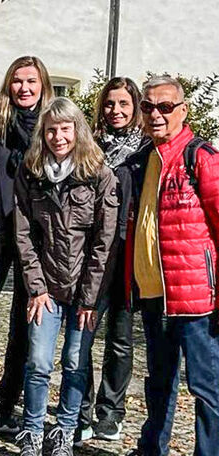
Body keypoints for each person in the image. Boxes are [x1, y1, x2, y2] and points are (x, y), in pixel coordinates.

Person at [14, 97, 118, 456]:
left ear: (78, 130)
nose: (59, 137)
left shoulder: (99, 174)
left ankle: (64, 429)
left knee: (75, 361)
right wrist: (36, 287)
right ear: (43, 134)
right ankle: (31, 431)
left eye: (65, 129)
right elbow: (23, 233)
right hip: (46, 288)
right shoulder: (32, 173)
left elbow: (104, 241)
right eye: (51, 130)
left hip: (85, 292)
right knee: (39, 362)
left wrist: (89, 297)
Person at [123, 76, 219, 456]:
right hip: (154, 294)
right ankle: (151, 449)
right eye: (148, 107)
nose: (155, 114)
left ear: (183, 110)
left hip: (196, 299)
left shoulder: (202, 157)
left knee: (207, 387)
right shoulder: (146, 159)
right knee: (158, 382)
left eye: (165, 107)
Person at [0, 56, 53, 435]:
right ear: (9, 84)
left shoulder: (53, 127)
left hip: (34, 238)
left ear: (43, 85)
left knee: (25, 324)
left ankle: (7, 405)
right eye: (18, 81)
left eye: (31, 81)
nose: (24, 88)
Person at [77, 77, 147, 444]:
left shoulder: (144, 152)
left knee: (119, 339)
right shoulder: (88, 148)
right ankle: (81, 410)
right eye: (109, 104)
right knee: (83, 336)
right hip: (91, 256)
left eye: (123, 104)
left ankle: (111, 412)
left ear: (134, 108)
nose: (115, 111)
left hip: (127, 254)